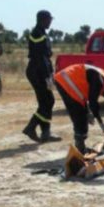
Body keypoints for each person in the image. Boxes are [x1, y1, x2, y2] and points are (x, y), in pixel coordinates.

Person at [54, 64, 104, 153]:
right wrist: (98, 119)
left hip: (65, 79)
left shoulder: (101, 76)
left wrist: (88, 112)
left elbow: (88, 99)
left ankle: (80, 146)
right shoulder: (100, 80)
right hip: (66, 80)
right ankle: (80, 148)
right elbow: (93, 102)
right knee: (80, 116)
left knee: (81, 113)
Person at [22, 10, 60, 143]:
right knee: (47, 101)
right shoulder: (37, 33)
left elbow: (45, 55)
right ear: (43, 20)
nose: (50, 22)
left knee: (47, 102)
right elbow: (40, 57)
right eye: (49, 19)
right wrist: (47, 76)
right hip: (37, 72)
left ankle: (45, 133)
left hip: (40, 71)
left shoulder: (42, 32)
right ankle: (31, 127)